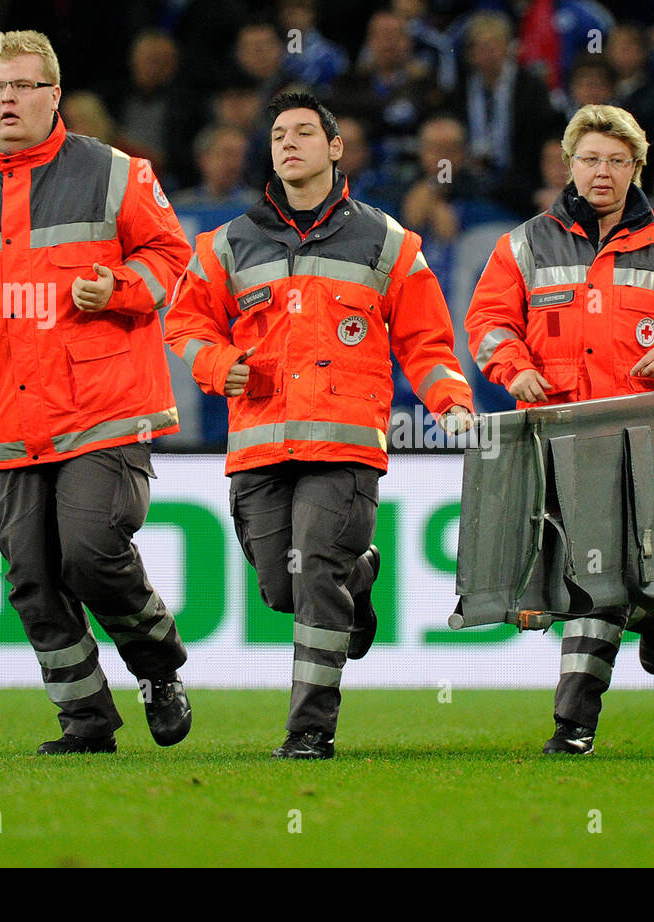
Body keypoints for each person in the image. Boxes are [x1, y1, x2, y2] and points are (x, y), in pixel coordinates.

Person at [0, 30, 194, 756]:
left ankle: (156, 667)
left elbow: (174, 261)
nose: (9, 100)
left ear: (54, 96)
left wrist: (116, 287)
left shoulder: (116, 173)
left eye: (24, 86)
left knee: (89, 552)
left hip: (103, 410)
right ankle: (86, 717)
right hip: (6, 419)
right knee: (30, 575)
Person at [163, 91, 474, 760]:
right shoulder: (226, 243)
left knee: (314, 581)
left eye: (305, 132)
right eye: (279, 134)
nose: (290, 143)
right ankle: (360, 578)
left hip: (345, 443)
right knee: (281, 585)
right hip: (259, 447)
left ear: (336, 149)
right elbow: (184, 324)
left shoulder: (389, 241)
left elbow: (426, 340)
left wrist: (449, 401)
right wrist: (217, 363)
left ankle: (309, 731)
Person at [464, 104, 654, 756]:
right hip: (558, 437)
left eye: (615, 161)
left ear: (636, 167)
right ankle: (652, 611)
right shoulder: (522, 244)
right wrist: (512, 366)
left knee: (596, 577)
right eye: (590, 159)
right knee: (590, 578)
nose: (601, 172)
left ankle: (574, 723)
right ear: (569, 163)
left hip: (642, 439)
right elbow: (488, 323)